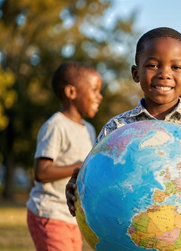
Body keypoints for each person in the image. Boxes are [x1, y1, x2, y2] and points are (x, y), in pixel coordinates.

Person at [65, 27, 181, 233]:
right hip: (129, 236)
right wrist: (78, 188)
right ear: (136, 73)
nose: (164, 74)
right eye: (153, 65)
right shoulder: (117, 128)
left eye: (175, 67)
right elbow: (95, 176)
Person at [27, 62, 103, 251]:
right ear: (71, 92)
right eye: (94, 90)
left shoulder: (90, 130)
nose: (99, 96)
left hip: (71, 214)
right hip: (50, 212)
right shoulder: (55, 126)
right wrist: (79, 165)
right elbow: (41, 172)